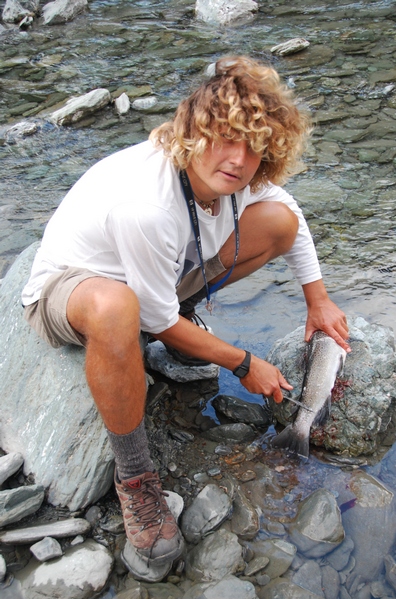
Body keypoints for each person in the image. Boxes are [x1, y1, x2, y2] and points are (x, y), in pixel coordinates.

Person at [22, 56, 349, 571]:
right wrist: (242, 362)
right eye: (226, 138)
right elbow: (154, 318)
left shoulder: (238, 174)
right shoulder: (147, 204)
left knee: (277, 222)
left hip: (157, 281)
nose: (238, 160)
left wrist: (318, 299)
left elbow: (293, 217)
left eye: (254, 146)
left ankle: (183, 319)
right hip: (73, 288)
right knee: (118, 307)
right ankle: (136, 480)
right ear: (195, 132)